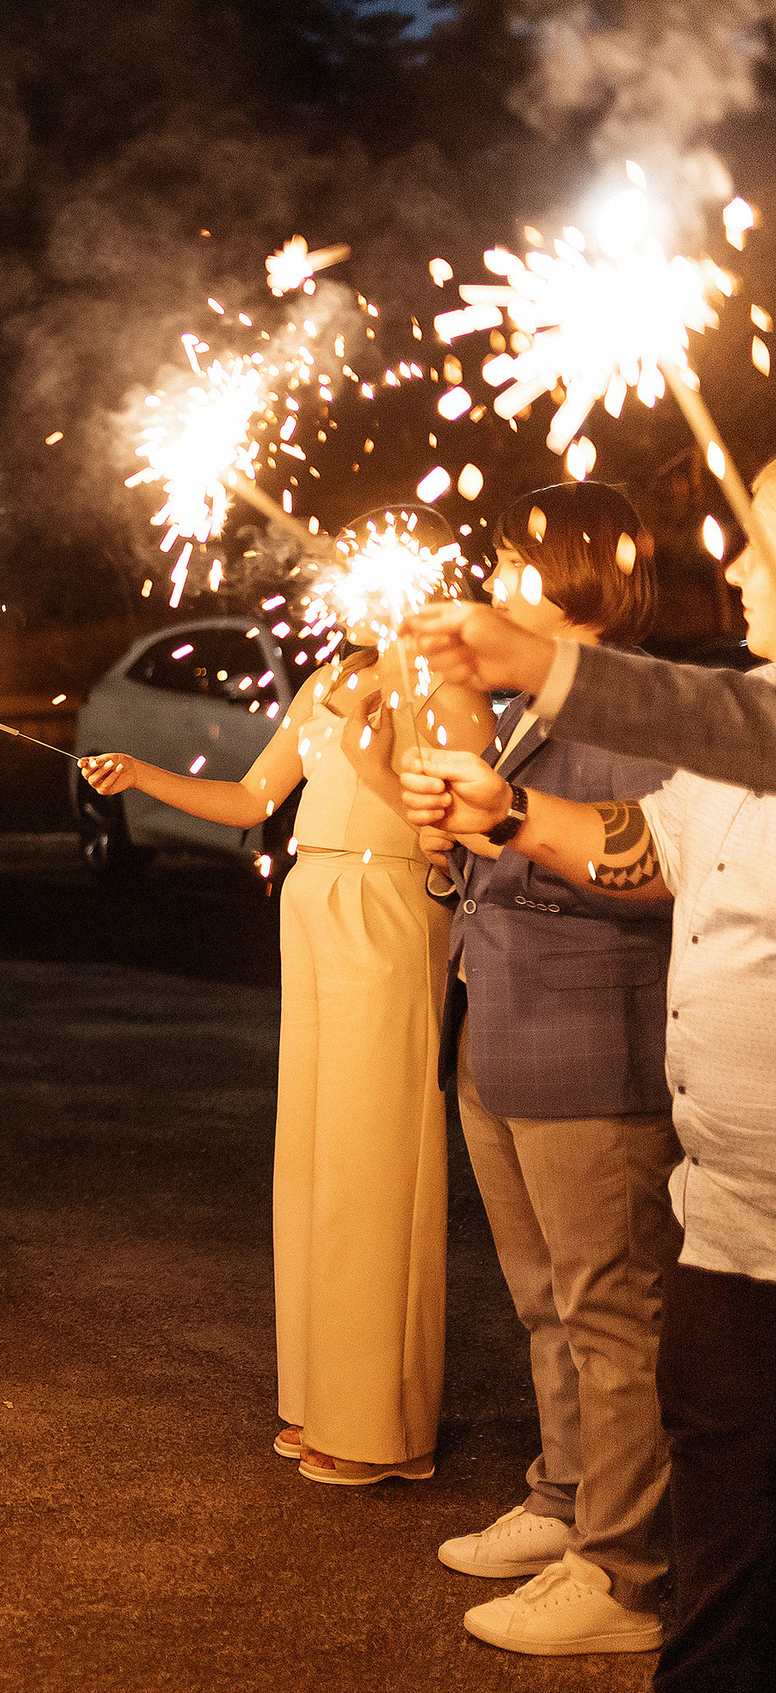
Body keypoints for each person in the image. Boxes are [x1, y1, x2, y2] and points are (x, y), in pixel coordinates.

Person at [404, 462, 776, 1693]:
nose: (726, 566)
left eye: (760, 545)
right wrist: (501, 813)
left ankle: (619, 1570)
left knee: (628, 1342)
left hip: (642, 1099)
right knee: (712, 1461)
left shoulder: (714, 716)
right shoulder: (735, 720)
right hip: (728, 1198)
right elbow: (648, 847)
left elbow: (718, 729)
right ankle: (595, 1533)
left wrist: (537, 663)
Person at [81, 527, 494, 1484]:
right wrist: (141, 776)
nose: (338, 591)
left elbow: (461, 838)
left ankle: (378, 1423)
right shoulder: (324, 682)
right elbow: (252, 796)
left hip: (387, 911)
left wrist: (393, 765)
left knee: (371, 1157)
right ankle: (320, 1398)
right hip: (311, 905)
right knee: (314, 1154)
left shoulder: (449, 692)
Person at [416, 483, 678, 1657]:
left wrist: (510, 817)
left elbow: (647, 865)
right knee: (543, 1299)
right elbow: (479, 846)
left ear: (578, 567)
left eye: (516, 553)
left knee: (611, 1312)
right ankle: (563, 1498)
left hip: (590, 1046)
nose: (497, 571)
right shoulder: (526, 704)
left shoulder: (633, 705)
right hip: (505, 1035)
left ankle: (621, 1573)